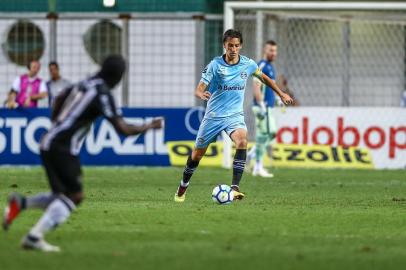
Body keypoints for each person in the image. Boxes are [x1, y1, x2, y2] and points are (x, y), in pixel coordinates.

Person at [2, 55, 163, 252]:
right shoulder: (102, 93)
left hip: (50, 141)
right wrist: (149, 126)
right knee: (75, 196)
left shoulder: (85, 83)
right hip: (62, 146)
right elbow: (122, 129)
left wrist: (57, 123)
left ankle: (21, 203)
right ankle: (34, 237)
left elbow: (59, 98)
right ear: (117, 76)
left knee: (61, 196)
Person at [173, 30, 293, 203]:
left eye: (237, 45)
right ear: (224, 45)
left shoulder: (248, 64)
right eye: (230, 45)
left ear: (241, 46)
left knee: (243, 140)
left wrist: (281, 93)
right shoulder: (215, 65)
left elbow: (265, 78)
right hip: (214, 116)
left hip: (235, 116)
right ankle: (183, 185)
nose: (233, 49)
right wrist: (201, 94)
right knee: (197, 155)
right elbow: (199, 87)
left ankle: (235, 188)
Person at [247, 40, 281, 178]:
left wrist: (277, 98)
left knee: (270, 133)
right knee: (264, 135)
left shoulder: (270, 67)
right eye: (270, 50)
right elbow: (256, 86)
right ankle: (258, 166)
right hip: (263, 108)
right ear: (264, 50)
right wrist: (261, 104)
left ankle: (251, 154)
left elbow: (270, 86)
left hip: (268, 107)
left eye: (275, 50)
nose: (273, 53)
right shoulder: (261, 65)